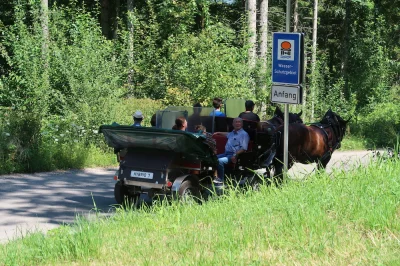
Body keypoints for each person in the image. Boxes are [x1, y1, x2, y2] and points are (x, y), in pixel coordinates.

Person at [212, 117, 249, 184]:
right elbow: (227, 134)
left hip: (234, 155)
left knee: (219, 161)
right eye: (236, 122)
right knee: (212, 158)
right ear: (233, 124)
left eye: (239, 122)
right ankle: (213, 177)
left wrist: (235, 155)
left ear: (242, 124)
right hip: (226, 153)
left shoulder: (244, 134)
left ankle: (221, 180)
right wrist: (218, 133)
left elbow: (243, 148)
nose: (237, 123)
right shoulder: (233, 132)